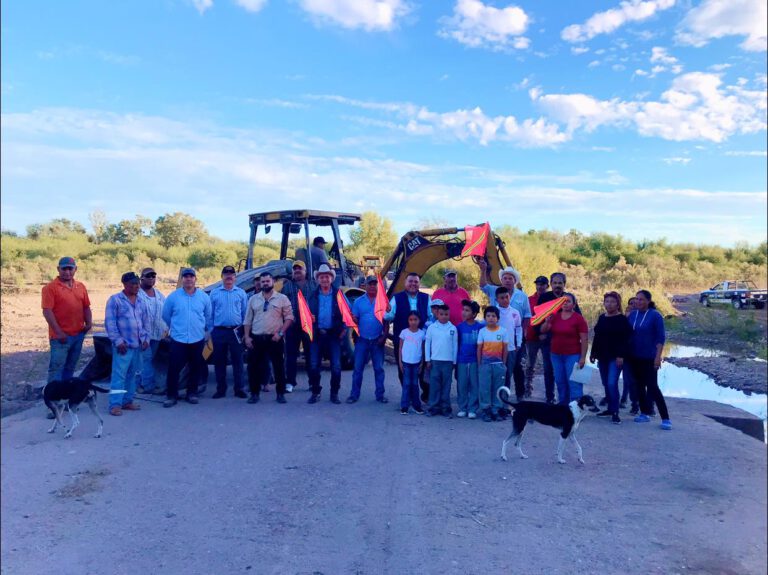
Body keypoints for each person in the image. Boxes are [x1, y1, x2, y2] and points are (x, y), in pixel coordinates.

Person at [477, 262, 531, 403]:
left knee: (517, 368)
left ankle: (519, 396)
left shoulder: (522, 296)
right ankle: (497, 400)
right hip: (495, 341)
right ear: (502, 280)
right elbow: (483, 285)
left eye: (510, 278)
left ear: (515, 281)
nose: (507, 280)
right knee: (499, 370)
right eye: (505, 278)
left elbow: (526, 317)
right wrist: (483, 269)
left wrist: (521, 339)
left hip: (514, 341)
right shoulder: (495, 291)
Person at [161, 268, 212, 407]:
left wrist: (205, 332)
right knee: (174, 368)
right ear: (182, 279)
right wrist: (176, 327)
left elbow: (208, 316)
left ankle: (192, 393)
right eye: (186, 277)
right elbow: (166, 315)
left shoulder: (204, 297)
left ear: (195, 279)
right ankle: (171, 396)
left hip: (197, 339)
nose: (189, 279)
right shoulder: (173, 297)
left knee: (195, 367)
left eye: (191, 277)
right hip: (178, 339)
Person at [243, 272, 293, 404]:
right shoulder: (253, 299)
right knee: (253, 367)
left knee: (279, 367)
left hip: (275, 338)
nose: (265, 283)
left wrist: (280, 334)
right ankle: (254, 394)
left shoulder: (282, 298)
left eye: (267, 281)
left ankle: (280, 394)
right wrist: (247, 337)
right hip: (257, 338)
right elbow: (247, 320)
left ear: (273, 282)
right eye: (263, 281)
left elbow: (289, 318)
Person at [104, 272, 150, 416]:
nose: (136, 286)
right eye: (133, 284)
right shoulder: (115, 300)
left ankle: (127, 401)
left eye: (137, 283)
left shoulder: (142, 302)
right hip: (123, 347)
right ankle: (115, 405)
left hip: (138, 346)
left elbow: (146, 323)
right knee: (119, 376)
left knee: (133, 375)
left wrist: (146, 339)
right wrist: (118, 341)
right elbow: (110, 324)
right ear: (124, 284)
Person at [41, 256, 93, 383]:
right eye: (64, 269)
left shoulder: (80, 286)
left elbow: (86, 306)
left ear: (75, 269)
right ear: (58, 269)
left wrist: (89, 323)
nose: (67, 272)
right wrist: (59, 332)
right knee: (56, 368)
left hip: (78, 334)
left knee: (71, 366)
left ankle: (65, 392)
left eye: (70, 269)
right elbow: (47, 311)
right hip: (60, 337)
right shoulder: (50, 288)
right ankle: (53, 397)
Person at [627, 290, 671, 430]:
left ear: (648, 301)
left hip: (649, 357)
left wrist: (658, 357)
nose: (638, 302)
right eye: (636, 299)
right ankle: (644, 413)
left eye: (641, 300)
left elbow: (660, 338)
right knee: (638, 385)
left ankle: (665, 418)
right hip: (634, 356)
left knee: (652, 387)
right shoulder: (632, 315)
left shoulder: (655, 316)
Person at [385, 272, 432, 401]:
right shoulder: (397, 298)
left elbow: (431, 317)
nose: (413, 284)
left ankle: (426, 394)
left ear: (419, 284)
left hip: (420, 341)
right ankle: (409, 396)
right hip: (402, 341)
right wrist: (386, 311)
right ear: (405, 283)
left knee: (423, 368)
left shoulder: (426, 298)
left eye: (416, 282)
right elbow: (388, 316)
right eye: (410, 281)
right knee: (403, 368)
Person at [590, 292, 632, 425]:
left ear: (618, 303)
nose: (609, 304)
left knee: (612, 383)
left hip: (615, 357)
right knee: (605, 382)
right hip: (602, 355)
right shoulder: (602, 317)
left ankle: (615, 411)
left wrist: (621, 355)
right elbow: (597, 337)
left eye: (612, 301)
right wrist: (592, 353)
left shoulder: (622, 319)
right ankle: (609, 408)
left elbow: (626, 340)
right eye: (607, 301)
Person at [307, 264, 346, 404]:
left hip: (333, 335)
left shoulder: (339, 295)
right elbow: (305, 315)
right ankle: (315, 392)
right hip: (317, 336)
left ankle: (334, 393)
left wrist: (344, 331)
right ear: (318, 279)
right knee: (313, 365)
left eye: (327, 277)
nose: (324, 279)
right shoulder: (311, 296)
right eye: (322, 277)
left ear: (331, 279)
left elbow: (347, 314)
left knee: (336, 366)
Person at [209, 265, 249, 399]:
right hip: (219, 331)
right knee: (219, 361)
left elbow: (245, 313)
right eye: (226, 274)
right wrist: (211, 330)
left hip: (236, 332)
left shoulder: (241, 293)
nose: (229, 276)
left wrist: (244, 331)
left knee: (238, 361)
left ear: (235, 277)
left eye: (231, 274)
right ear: (222, 276)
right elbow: (210, 314)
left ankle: (239, 389)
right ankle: (221, 389)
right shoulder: (215, 293)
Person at [541, 293, 588, 405]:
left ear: (574, 304)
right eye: (563, 301)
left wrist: (582, 358)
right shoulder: (555, 316)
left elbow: (584, 339)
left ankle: (576, 406)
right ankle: (563, 405)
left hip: (573, 355)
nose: (565, 303)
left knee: (574, 382)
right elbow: (543, 330)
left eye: (568, 301)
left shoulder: (579, 319)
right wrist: (547, 321)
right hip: (556, 355)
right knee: (560, 381)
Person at [348, 275, 389, 404]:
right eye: (370, 284)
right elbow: (355, 319)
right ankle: (354, 395)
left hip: (378, 340)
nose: (372, 286)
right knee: (358, 368)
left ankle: (380, 395)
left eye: (374, 284)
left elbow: (386, 321)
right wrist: (354, 322)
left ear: (378, 286)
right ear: (365, 286)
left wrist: (384, 336)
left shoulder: (383, 301)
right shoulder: (358, 302)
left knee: (379, 369)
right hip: (362, 340)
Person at [281, 260, 311, 392]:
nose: (297, 271)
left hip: (308, 326)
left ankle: (313, 382)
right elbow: (281, 304)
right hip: (292, 325)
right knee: (291, 355)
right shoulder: (286, 286)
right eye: (295, 269)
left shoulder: (313, 285)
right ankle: (290, 382)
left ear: (305, 271)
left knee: (310, 355)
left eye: (300, 269)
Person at [136, 267, 166, 395]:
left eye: (153, 276)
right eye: (148, 276)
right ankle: (148, 386)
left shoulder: (159, 294)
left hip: (157, 334)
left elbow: (166, 312)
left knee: (146, 360)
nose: (151, 278)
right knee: (145, 359)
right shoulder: (136, 293)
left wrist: (167, 330)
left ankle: (139, 385)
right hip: (142, 335)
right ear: (141, 278)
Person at [476, 306, 509, 422]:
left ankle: (496, 409)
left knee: (497, 388)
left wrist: (503, 364)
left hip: (498, 365)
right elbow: (479, 349)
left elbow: (505, 349)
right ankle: (486, 409)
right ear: (485, 318)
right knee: (485, 388)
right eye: (488, 316)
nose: (491, 318)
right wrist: (480, 364)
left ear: (498, 318)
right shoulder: (482, 332)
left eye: (493, 316)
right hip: (485, 365)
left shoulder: (503, 331)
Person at [424, 304, 458, 417]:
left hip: (448, 362)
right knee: (434, 385)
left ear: (449, 315)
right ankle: (433, 407)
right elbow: (427, 344)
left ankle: (445, 408)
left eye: (446, 314)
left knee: (446, 385)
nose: (444, 316)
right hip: (435, 361)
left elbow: (455, 345)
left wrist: (454, 361)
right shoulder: (432, 328)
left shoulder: (452, 328)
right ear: (437, 314)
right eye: (441, 314)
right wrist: (427, 360)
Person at [526, 275, 555, 403]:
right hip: (532, 336)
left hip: (545, 337)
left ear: (547, 286)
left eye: (542, 284)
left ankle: (549, 394)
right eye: (538, 284)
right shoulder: (529, 299)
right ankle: (528, 388)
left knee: (547, 366)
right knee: (529, 364)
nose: (540, 286)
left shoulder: (550, 298)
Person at [495, 287, 523, 404]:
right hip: (495, 349)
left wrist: (519, 343)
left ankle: (504, 402)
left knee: (507, 376)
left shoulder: (515, 313)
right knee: (497, 376)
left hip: (510, 349)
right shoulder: (494, 312)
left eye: (506, 297)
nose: (505, 300)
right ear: (497, 299)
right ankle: (495, 402)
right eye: (502, 298)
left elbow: (518, 329)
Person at [456, 299, 482, 419]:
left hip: (474, 361)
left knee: (474, 385)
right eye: (463, 310)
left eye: (467, 310)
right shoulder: (459, 327)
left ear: (474, 314)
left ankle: (472, 408)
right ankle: (463, 407)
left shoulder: (480, 327)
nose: (464, 312)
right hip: (461, 360)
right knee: (462, 384)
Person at [398, 311, 426, 415]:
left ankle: (416, 406)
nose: (413, 322)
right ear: (408, 321)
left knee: (415, 384)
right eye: (411, 320)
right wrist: (400, 362)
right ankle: (404, 406)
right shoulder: (404, 332)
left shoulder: (422, 334)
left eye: (415, 320)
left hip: (416, 363)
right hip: (406, 363)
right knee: (406, 384)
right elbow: (400, 348)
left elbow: (423, 349)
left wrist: (422, 363)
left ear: (419, 321)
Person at [622, 297, 639, 413]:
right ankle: (633, 403)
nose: (633, 305)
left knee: (643, 380)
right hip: (627, 353)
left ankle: (649, 404)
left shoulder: (643, 318)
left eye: (635, 303)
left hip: (642, 354)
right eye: (630, 303)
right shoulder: (625, 318)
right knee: (629, 380)